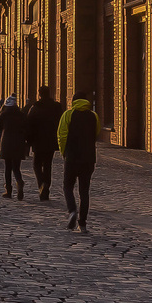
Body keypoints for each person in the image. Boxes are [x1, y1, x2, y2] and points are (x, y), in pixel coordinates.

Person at [57, 91, 98, 232]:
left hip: (72, 157)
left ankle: (72, 210)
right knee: (84, 190)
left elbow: (61, 135)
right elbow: (96, 133)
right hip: (88, 159)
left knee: (67, 186)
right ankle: (83, 223)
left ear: (73, 101)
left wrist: (64, 152)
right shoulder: (93, 116)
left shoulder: (68, 115)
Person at [26, 86, 64, 201]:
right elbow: (61, 122)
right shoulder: (57, 107)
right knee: (47, 165)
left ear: (40, 94)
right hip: (51, 141)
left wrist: (28, 140)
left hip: (38, 141)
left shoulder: (35, 107)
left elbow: (29, 124)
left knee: (36, 164)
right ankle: (46, 187)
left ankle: (41, 184)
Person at [0, 95, 29, 199]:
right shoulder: (21, 114)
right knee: (16, 167)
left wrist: (0, 112)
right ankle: (19, 181)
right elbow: (27, 127)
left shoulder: (4, 114)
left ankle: (8, 191)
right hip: (19, 143)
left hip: (7, 143)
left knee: (8, 168)